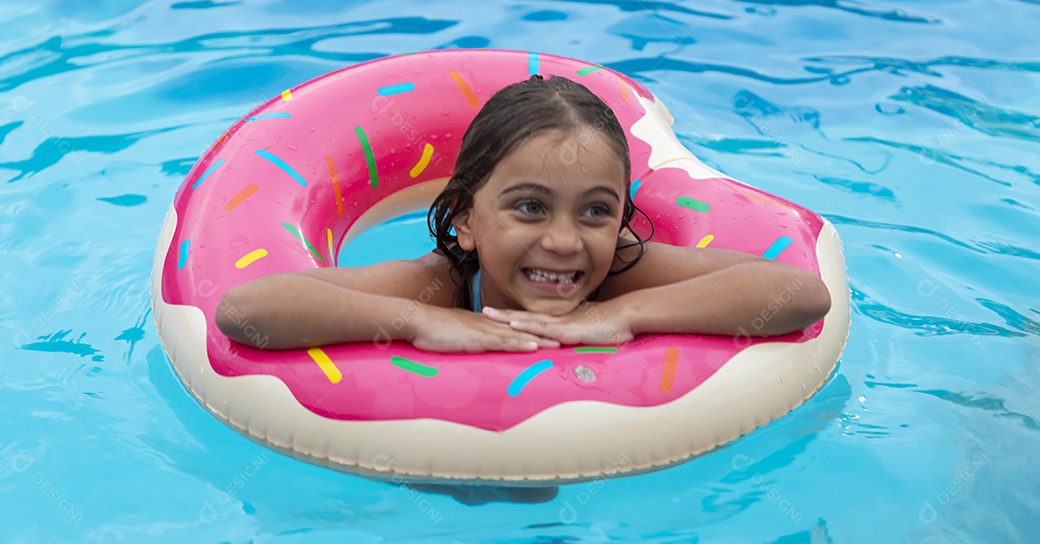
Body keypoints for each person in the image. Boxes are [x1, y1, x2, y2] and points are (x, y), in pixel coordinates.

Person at [216, 75, 831, 353]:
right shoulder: (441, 286)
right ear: (465, 220)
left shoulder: (622, 273)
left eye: (596, 211)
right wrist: (418, 321)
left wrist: (624, 313)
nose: (564, 241)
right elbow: (246, 310)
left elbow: (800, 294)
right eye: (530, 207)